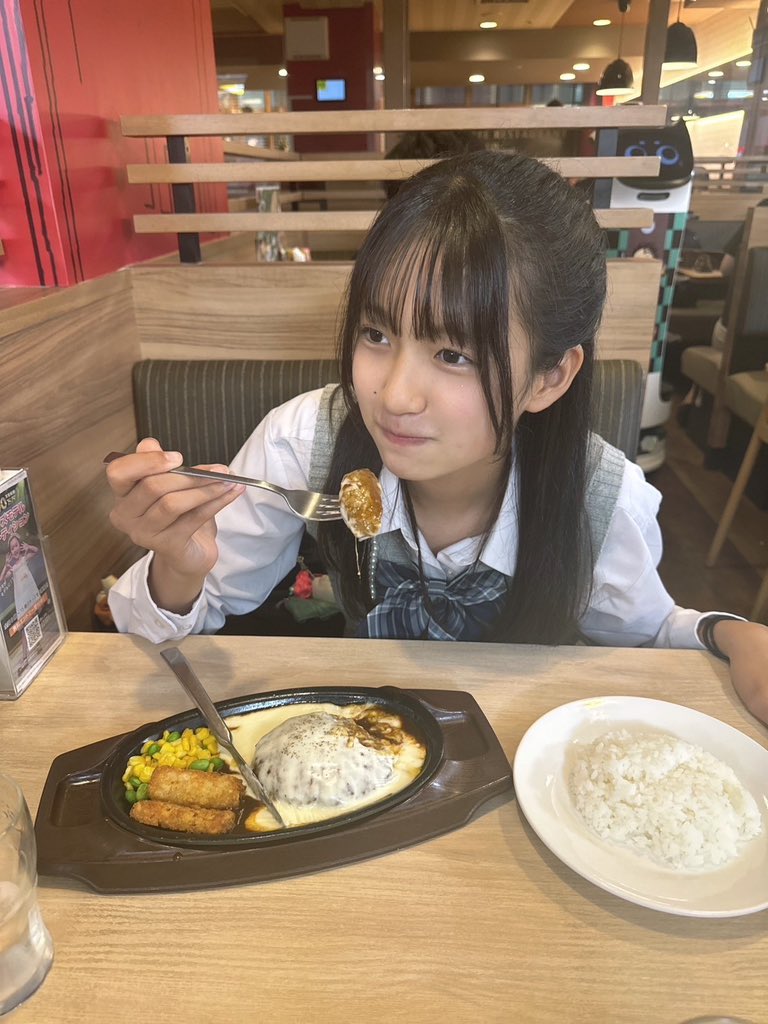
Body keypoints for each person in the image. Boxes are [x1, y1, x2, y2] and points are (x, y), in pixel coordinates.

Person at [106, 150, 768, 725]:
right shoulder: (305, 441)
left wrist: (734, 636)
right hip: (360, 746)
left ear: (549, 377)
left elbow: (647, 638)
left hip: (522, 760)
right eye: (376, 334)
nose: (395, 396)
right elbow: (177, 623)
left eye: (453, 354)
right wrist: (179, 569)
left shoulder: (600, 497)